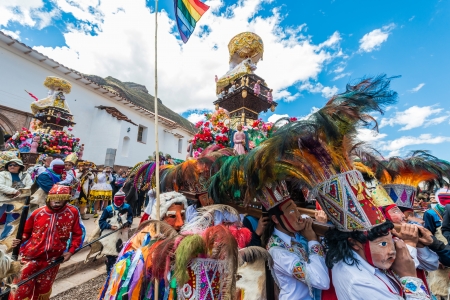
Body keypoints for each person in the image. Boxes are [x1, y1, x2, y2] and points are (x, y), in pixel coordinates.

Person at [317, 170, 431, 300]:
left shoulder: (360, 257)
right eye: (383, 244)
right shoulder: (360, 283)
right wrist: (409, 275)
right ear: (354, 243)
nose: (392, 251)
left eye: (391, 242)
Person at [9, 184, 84, 300]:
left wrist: (71, 251)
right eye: (54, 198)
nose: (56, 202)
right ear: (49, 197)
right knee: (20, 289)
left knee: (43, 290)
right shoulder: (37, 212)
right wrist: (18, 241)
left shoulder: (72, 212)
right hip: (30, 257)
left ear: (66, 199)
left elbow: (78, 234)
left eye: (61, 199)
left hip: (53, 260)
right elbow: (25, 233)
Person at [260, 180, 329, 300]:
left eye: (296, 209)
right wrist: (312, 239)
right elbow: (321, 281)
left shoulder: (292, 233)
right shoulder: (278, 252)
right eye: (292, 211)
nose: (298, 214)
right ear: (276, 219)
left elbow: (305, 217)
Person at [98, 190, 133, 276]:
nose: (119, 201)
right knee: (111, 254)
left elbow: (130, 217)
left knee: (121, 254)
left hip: (122, 235)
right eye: (117, 199)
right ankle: (110, 273)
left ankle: (119, 273)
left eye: (121, 199)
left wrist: (127, 223)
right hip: (110, 236)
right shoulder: (108, 209)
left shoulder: (127, 207)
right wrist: (110, 226)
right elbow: (101, 222)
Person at [0, 159, 33, 239]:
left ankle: (4, 239)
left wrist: (21, 192)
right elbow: (0, 185)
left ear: (20, 167)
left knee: (11, 221)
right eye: (10, 165)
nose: (12, 166)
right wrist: (14, 191)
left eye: (15, 165)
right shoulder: (2, 174)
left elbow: (30, 186)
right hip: (2, 199)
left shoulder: (26, 175)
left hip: (17, 200)